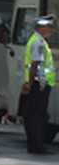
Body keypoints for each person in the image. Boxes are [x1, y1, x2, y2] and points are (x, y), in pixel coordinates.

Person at [20, 14, 55, 154]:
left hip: (38, 83)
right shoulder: (38, 43)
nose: (51, 30)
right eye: (49, 27)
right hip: (39, 84)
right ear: (40, 28)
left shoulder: (38, 41)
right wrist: (29, 83)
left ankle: (35, 144)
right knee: (37, 116)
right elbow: (35, 64)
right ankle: (36, 145)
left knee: (35, 115)